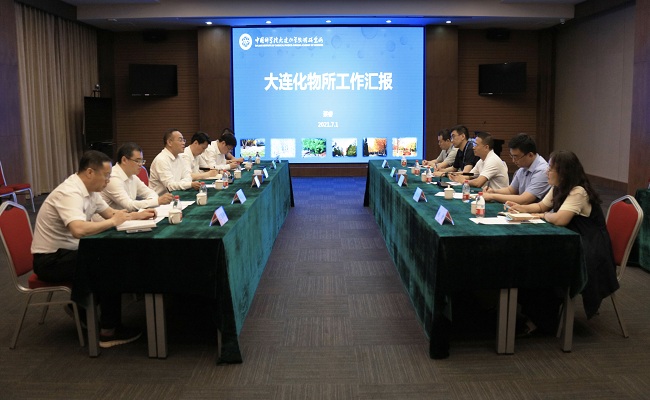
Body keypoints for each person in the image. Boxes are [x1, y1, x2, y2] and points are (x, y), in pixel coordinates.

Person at [31, 150, 156, 347]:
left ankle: (81, 306)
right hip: (51, 260)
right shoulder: (70, 192)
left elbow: (110, 213)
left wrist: (136, 216)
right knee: (109, 264)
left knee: (111, 256)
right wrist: (113, 221)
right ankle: (108, 331)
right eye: (106, 175)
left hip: (71, 252)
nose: (108, 180)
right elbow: (78, 230)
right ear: (90, 172)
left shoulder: (91, 190)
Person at [506, 150, 619, 334]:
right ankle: (531, 315)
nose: (546, 171)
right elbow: (542, 206)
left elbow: (560, 219)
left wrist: (541, 215)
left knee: (543, 267)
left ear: (564, 172)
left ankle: (542, 321)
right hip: (570, 241)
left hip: (589, 248)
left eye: (551, 168)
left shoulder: (578, 191)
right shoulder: (559, 186)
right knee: (533, 261)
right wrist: (521, 208)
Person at [101, 142, 173, 211]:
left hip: (127, 216)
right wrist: (157, 201)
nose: (140, 164)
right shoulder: (113, 178)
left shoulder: (132, 176)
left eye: (141, 161)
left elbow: (150, 193)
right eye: (137, 161)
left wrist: (154, 201)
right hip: (110, 219)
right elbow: (128, 206)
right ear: (124, 160)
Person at [483, 133, 551, 204]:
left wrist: (493, 196)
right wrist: (494, 191)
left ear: (530, 155)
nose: (513, 160)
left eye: (516, 157)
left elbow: (524, 200)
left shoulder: (542, 171)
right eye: (512, 156)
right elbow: (511, 190)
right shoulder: (523, 167)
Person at [149, 129, 202, 195]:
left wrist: (184, 183)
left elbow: (188, 177)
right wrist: (189, 184)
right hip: (161, 199)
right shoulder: (161, 160)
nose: (183, 143)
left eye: (183, 140)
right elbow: (170, 186)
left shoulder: (181, 157)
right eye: (180, 140)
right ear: (169, 142)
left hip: (178, 195)